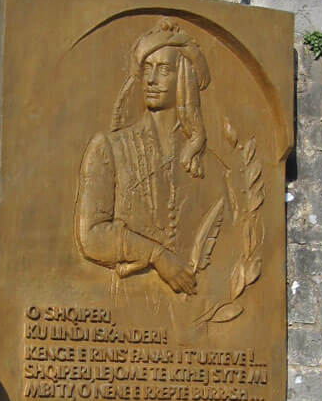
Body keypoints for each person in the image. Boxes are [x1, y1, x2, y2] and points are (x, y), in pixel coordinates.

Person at [75, 18, 231, 300]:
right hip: (122, 307)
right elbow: (91, 236)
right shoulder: (110, 148)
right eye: (148, 68)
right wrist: (156, 255)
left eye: (164, 70)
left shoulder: (212, 167)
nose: (151, 79)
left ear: (184, 79)